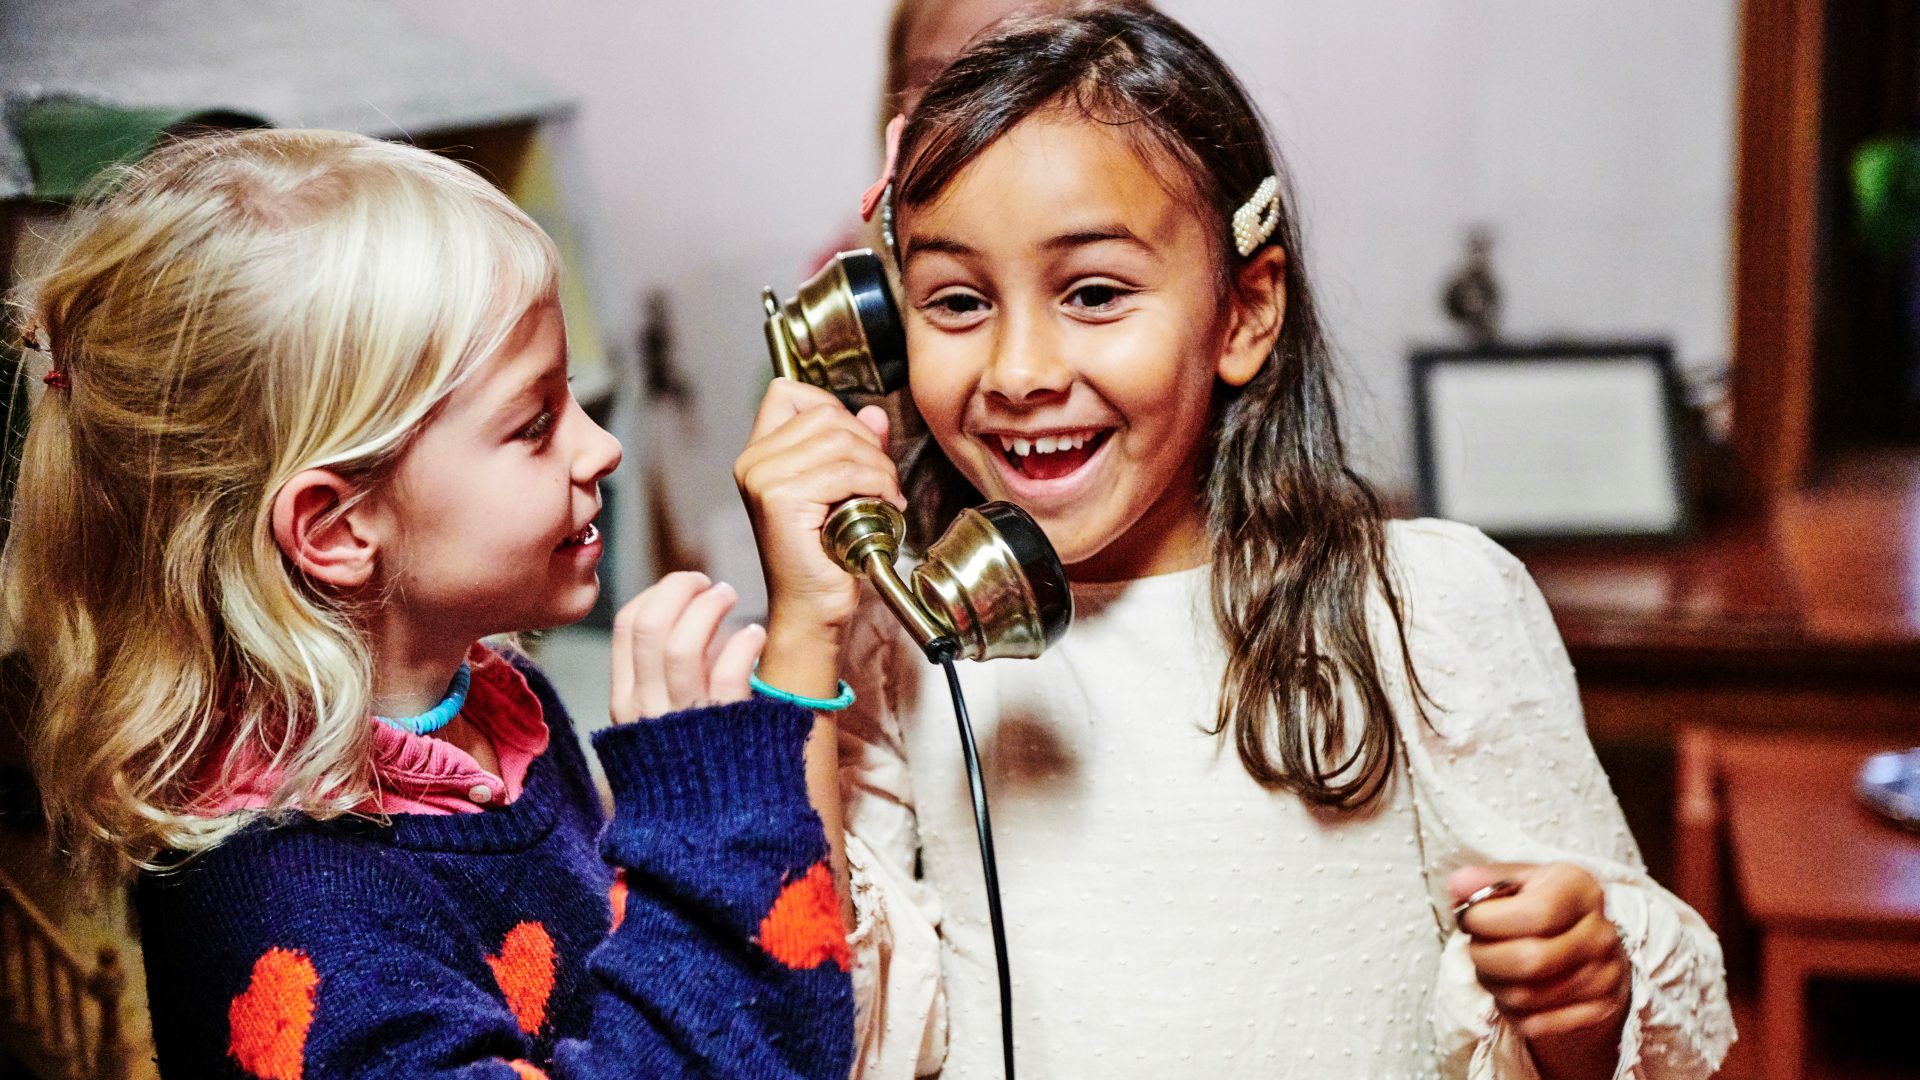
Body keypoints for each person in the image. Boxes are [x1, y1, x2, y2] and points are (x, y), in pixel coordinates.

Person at [733, 5, 1734, 1078]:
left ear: (1246, 313)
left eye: (1095, 292)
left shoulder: (1424, 612)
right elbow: (810, 1023)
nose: (1018, 371)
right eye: (960, 301)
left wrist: (1582, 1002)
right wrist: (805, 625)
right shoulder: (897, 653)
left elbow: (1627, 1039)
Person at [5, 128, 852, 1079]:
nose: (600, 449)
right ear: (336, 528)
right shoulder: (292, 904)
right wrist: (696, 811)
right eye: (533, 424)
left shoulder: (492, 703)